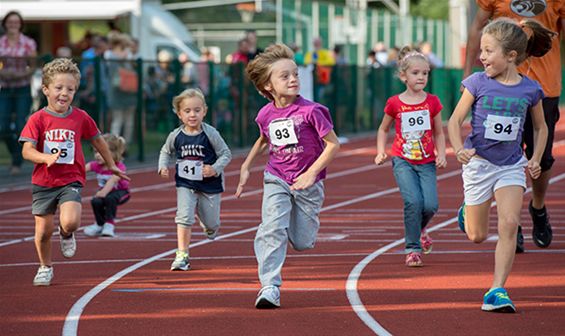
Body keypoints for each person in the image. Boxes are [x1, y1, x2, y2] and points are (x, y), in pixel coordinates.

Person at [448, 18, 552, 312]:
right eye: (481, 50)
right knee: (477, 236)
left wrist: (534, 159)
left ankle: (496, 290)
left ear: (511, 56)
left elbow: (541, 128)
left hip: (510, 165)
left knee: (509, 223)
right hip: (479, 164)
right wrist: (458, 149)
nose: (482, 57)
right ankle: (467, 211)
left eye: (488, 51)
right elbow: (455, 120)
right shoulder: (477, 82)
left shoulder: (530, 90)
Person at [236, 44, 340, 309]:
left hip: (308, 184)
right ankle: (269, 286)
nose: (293, 79)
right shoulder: (265, 114)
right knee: (272, 228)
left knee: (303, 242)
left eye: (295, 74)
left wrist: (311, 174)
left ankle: (296, 230)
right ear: (268, 86)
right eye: (285, 76)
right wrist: (247, 165)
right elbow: (263, 139)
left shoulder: (311, 111)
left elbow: (333, 145)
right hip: (277, 177)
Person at [463, 0, 564, 253]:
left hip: (545, 85)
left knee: (542, 158)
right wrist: (467, 73)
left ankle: (538, 207)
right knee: (506, 152)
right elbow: (476, 28)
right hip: (500, 85)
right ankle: (512, 223)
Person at [18, 58, 129, 286]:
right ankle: (45, 267)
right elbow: (27, 151)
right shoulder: (37, 119)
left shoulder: (80, 117)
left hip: (71, 179)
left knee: (70, 222)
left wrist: (111, 165)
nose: (64, 93)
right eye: (58, 88)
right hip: (44, 181)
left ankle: (66, 234)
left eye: (70, 89)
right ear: (46, 89)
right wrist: (45, 157)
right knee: (43, 232)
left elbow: (98, 141)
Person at [374, 46, 447, 267]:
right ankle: (413, 249)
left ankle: (421, 227)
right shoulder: (395, 102)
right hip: (402, 160)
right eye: (416, 73)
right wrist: (380, 151)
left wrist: (441, 153)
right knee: (413, 201)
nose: (421, 77)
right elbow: (383, 129)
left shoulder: (432, 101)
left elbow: (439, 132)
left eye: (425, 73)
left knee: (431, 205)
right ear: (403, 76)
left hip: (426, 162)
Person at [158, 88, 232, 271]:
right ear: (179, 114)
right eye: (188, 111)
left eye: (197, 110)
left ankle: (208, 225)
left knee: (212, 224)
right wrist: (162, 166)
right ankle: (182, 255)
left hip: (210, 184)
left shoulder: (210, 133)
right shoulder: (175, 135)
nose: (192, 115)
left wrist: (214, 169)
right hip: (186, 183)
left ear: (204, 112)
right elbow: (165, 151)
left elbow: (225, 154)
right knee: (183, 216)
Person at [0, 11, 37, 176]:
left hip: (22, 86)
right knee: (3, 126)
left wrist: (22, 74)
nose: (13, 25)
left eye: (16, 22)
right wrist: (4, 74)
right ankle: (17, 154)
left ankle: (17, 161)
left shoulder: (28, 42)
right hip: (5, 87)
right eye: (10, 22)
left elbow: (33, 65)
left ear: (20, 24)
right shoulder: (1, 42)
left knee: (21, 124)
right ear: (5, 24)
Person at [83, 133, 130, 238]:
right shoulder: (95, 165)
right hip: (103, 192)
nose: (97, 155)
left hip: (121, 192)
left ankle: (109, 224)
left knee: (110, 199)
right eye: (96, 152)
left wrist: (103, 192)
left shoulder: (119, 167)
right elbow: (81, 170)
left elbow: (113, 180)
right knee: (96, 201)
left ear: (112, 153)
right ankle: (99, 224)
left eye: (101, 152)